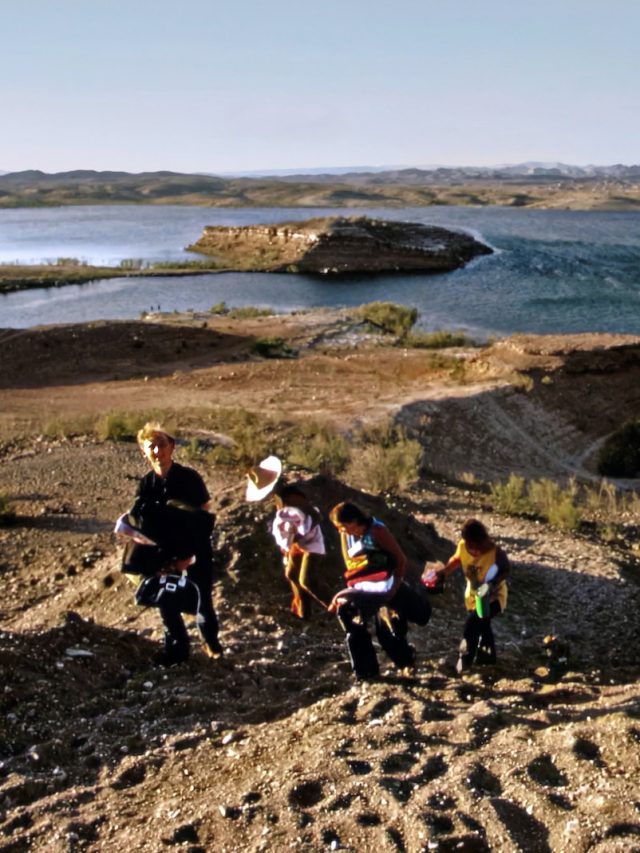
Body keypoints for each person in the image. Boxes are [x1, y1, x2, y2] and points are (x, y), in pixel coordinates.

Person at [121, 422, 222, 666]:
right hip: (163, 553)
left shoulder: (188, 478)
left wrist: (188, 554)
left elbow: (204, 516)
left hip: (195, 549)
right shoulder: (146, 484)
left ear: (172, 447)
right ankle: (177, 651)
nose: (157, 451)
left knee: (202, 603)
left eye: (161, 445)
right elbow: (142, 522)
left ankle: (213, 648)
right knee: (165, 599)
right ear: (143, 452)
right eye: (151, 447)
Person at [329, 502, 431, 682]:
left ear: (354, 521)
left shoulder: (377, 531)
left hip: (387, 586)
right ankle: (366, 672)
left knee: (388, 631)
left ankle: (406, 662)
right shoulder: (348, 536)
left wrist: (391, 591)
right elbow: (353, 566)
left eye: (343, 527)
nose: (341, 532)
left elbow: (400, 560)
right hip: (364, 587)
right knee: (349, 618)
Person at [428, 518, 509, 674]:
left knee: (471, 627)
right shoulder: (463, 547)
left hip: (493, 598)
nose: (474, 550)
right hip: (472, 598)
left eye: (476, 546)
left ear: (483, 540)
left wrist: (492, 584)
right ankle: (488, 658)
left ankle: (464, 662)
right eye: (470, 546)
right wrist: (443, 573)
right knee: (482, 626)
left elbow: (505, 570)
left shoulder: (496, 553)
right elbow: (457, 560)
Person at [271, 482, 328, 619]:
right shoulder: (289, 508)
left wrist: (293, 536)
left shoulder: (308, 510)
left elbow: (311, 525)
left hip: (312, 547)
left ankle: (335, 605)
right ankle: (303, 612)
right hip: (298, 547)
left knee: (307, 580)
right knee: (292, 574)